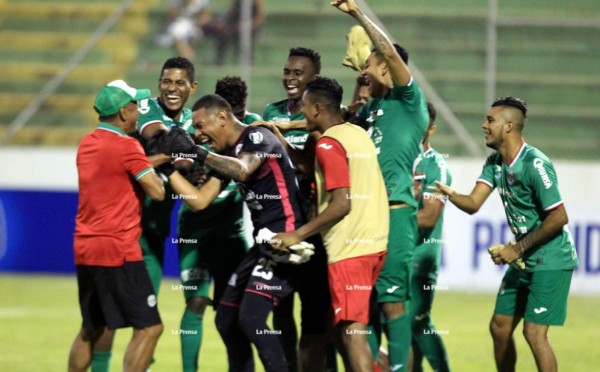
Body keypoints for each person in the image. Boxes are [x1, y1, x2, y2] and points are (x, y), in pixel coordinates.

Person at [152, 94, 310, 371]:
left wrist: (197, 152)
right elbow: (199, 201)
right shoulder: (228, 154)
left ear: (222, 117)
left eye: (201, 126)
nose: (198, 134)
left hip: (287, 239)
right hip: (264, 244)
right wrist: (167, 166)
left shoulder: (257, 137)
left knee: (251, 318)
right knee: (226, 317)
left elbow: (243, 170)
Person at [429, 97, 578, 372]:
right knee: (499, 327)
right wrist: (450, 194)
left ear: (509, 126)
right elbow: (473, 204)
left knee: (534, 334)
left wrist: (517, 248)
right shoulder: (495, 162)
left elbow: (559, 216)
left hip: (552, 259)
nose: (484, 125)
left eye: (490, 120)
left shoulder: (535, 164)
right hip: (524, 258)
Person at [332, 0, 430, 370]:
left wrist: (357, 14)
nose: (365, 71)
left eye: (370, 65)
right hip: (362, 218)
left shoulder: (409, 101)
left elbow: (387, 51)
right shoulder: (371, 110)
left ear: (388, 67)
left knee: (392, 303)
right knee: (363, 305)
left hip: (395, 214)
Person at [270, 76, 389, 372]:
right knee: (338, 329)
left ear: (319, 109)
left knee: (352, 336)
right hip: (374, 245)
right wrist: (282, 141)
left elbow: (341, 203)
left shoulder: (327, 144)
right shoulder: (357, 134)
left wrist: (296, 235)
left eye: (306, 108)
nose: (303, 114)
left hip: (350, 250)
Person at [89, 57, 199, 371]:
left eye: (179, 83)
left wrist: (184, 155)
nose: (172, 88)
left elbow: (186, 165)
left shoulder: (194, 118)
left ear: (192, 87)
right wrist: (174, 145)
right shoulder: (145, 107)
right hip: (126, 229)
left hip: (152, 234)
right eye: (166, 81)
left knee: (145, 320)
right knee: (111, 316)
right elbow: (154, 132)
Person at [68, 80, 165, 372]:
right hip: (118, 248)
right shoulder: (128, 146)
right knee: (150, 328)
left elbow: (122, 168)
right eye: (136, 106)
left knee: (93, 326)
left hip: (86, 247)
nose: (139, 111)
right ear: (124, 112)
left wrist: (161, 157)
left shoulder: (87, 143)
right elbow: (157, 192)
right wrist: (168, 160)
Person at [171, 75, 260, 371]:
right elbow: (179, 166)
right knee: (195, 303)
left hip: (232, 235)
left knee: (232, 311)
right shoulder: (193, 131)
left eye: (241, 112)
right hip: (194, 235)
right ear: (219, 112)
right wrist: (187, 171)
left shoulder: (254, 130)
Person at [262, 46, 331, 372]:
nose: (290, 78)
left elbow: (311, 166)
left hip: (314, 224)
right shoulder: (270, 110)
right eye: (287, 71)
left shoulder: (324, 116)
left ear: (313, 79)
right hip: (278, 221)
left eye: (297, 73)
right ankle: (286, 365)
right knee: (279, 305)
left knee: (317, 309)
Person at [409, 102, 451, 372]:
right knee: (406, 326)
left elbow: (428, 216)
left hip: (421, 256)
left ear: (431, 128)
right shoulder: (399, 157)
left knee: (415, 321)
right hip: (396, 253)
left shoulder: (435, 164)